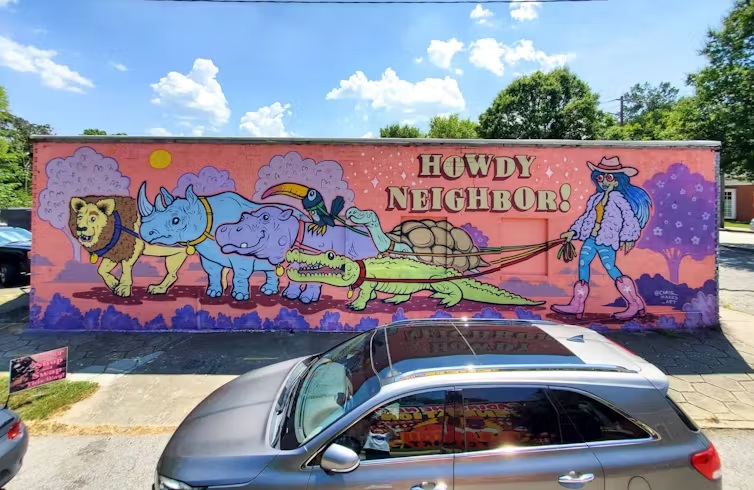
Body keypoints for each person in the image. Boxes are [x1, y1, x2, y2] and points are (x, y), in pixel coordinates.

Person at [552, 156, 652, 321]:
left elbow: (629, 217)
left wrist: (629, 236)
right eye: (600, 177)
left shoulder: (618, 198)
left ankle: (634, 303)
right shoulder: (595, 199)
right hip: (591, 238)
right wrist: (573, 232)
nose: (604, 181)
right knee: (583, 265)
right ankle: (577, 304)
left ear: (618, 180)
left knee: (611, 268)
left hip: (606, 239)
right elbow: (586, 218)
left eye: (609, 177)